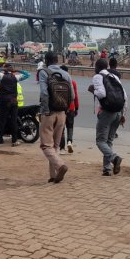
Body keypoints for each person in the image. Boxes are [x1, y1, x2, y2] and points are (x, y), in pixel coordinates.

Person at [38, 52, 74, 183]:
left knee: (46, 146)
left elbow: (43, 93)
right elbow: (73, 96)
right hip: (62, 114)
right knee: (55, 146)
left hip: (49, 113)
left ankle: (60, 166)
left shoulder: (44, 72)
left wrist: (45, 110)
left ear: (47, 61)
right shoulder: (66, 74)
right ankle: (53, 176)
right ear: (57, 60)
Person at [88, 58, 127, 176]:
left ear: (97, 67)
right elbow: (125, 96)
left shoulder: (97, 77)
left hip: (107, 112)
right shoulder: (114, 77)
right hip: (118, 112)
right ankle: (107, 169)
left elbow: (101, 93)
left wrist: (92, 90)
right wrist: (123, 114)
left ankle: (114, 158)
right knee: (109, 141)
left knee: (100, 141)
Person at [59, 65, 80, 154]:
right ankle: (69, 142)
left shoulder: (57, 82)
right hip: (71, 107)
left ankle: (62, 148)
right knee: (70, 126)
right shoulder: (72, 82)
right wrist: (77, 107)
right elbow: (75, 96)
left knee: (61, 128)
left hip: (61, 108)